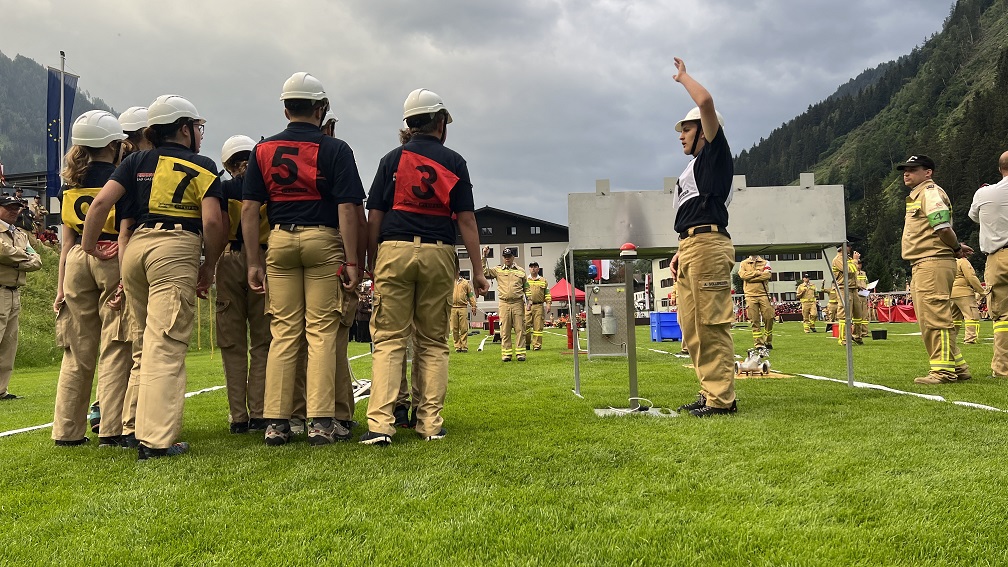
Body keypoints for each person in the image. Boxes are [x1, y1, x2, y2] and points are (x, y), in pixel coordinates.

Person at [81, 94, 225, 460]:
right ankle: (157, 440)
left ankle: (133, 427)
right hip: (175, 247)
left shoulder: (135, 161)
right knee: (167, 344)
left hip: (137, 247)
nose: (199, 133)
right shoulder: (203, 165)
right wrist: (209, 265)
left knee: (144, 344)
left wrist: (89, 246)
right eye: (197, 127)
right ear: (184, 129)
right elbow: (212, 222)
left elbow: (100, 204)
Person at [242, 72, 364, 446]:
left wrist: (253, 261)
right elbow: (348, 209)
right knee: (322, 331)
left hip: (279, 240)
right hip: (323, 240)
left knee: (283, 332)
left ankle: (276, 423)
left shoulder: (262, 150)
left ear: (285, 109)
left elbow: (249, 209)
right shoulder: (335, 149)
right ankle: (321, 422)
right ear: (320, 108)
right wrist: (352, 260)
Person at [362, 87, 488, 445]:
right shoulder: (454, 161)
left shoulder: (391, 159)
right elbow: (467, 220)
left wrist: (372, 260)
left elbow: (375, 216)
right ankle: (430, 423)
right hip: (438, 251)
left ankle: (380, 424)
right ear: (440, 123)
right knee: (432, 341)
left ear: (409, 124)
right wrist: (478, 271)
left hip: (394, 249)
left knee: (389, 339)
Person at [51, 110, 133, 447]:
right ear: (114, 144)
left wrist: (60, 287)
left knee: (76, 349)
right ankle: (111, 428)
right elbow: (125, 231)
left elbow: (67, 240)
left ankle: (66, 431)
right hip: (111, 254)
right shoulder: (121, 176)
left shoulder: (69, 183)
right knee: (116, 344)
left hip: (75, 260)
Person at [667, 58, 737, 417]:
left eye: (686, 128)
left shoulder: (715, 154)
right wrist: (681, 249)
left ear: (704, 131)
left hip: (708, 245)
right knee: (692, 327)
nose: (681, 134)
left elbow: (706, 102)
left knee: (710, 324)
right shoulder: (693, 167)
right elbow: (692, 215)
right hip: (693, 245)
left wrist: (683, 78)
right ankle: (710, 391)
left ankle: (722, 399)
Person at [898, 154, 972, 384]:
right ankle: (957, 367)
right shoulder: (921, 194)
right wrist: (955, 247)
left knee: (935, 319)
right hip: (929, 262)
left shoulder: (929, 193)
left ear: (928, 172)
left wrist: (956, 247)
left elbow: (942, 227)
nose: (906, 173)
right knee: (932, 317)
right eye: (905, 170)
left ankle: (943, 371)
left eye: (913, 169)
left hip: (931, 261)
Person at [216, 135, 271, 434]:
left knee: (232, 342)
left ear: (228, 164)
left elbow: (219, 227)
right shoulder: (266, 187)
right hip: (263, 257)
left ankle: (238, 416)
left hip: (229, 258)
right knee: (262, 341)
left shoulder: (223, 189)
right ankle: (260, 412)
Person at [968, 151, 1008, 377]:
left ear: (1000, 169)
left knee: (1003, 316)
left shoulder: (984, 193)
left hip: (999, 257)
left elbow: (974, 216)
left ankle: (1002, 368)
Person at [0, 195, 42, 401]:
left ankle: (1, 390)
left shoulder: (19, 234)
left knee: (9, 344)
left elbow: (37, 261)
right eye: (9, 207)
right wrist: (24, 257)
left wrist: (15, 260)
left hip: (14, 292)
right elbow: (2, 250)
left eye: (16, 207)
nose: (14, 210)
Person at [483, 247, 528, 361]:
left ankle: (520, 353)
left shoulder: (521, 271)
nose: (507, 258)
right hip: (504, 303)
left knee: (520, 329)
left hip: (518, 303)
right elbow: (484, 272)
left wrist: (530, 300)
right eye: (505, 256)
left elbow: (526, 287)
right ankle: (506, 354)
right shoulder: (498, 270)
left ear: (513, 257)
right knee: (505, 330)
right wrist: (484, 256)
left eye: (509, 256)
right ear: (503, 258)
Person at [738, 254, 773, 348]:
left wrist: (750, 278)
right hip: (750, 295)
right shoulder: (744, 263)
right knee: (754, 319)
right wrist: (758, 273)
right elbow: (742, 275)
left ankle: (768, 340)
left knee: (769, 317)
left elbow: (767, 275)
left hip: (763, 294)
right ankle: (758, 343)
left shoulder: (765, 262)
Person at [832, 245, 863, 346]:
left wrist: (858, 285)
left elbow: (853, 274)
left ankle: (857, 336)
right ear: (842, 247)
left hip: (853, 289)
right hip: (844, 289)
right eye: (848, 246)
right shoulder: (838, 259)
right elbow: (849, 270)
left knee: (858, 314)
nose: (850, 248)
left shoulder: (848, 259)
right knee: (844, 315)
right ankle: (843, 339)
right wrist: (855, 260)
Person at [951, 257, 985, 344]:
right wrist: (981, 291)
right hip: (964, 292)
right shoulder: (963, 261)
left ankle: (950, 338)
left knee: (954, 318)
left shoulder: (948, 262)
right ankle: (970, 339)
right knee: (971, 316)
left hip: (951, 292)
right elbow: (971, 277)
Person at [525, 261, 551, 351]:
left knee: (538, 327)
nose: (533, 268)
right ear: (529, 269)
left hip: (539, 306)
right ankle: (526, 343)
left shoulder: (543, 281)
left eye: (535, 267)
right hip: (527, 306)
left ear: (538, 269)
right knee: (525, 325)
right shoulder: (525, 280)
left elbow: (547, 293)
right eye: (531, 267)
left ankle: (536, 345)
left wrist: (548, 304)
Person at [450, 268, 476, 352]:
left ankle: (464, 346)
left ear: (458, 271)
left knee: (464, 328)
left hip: (463, 307)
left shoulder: (465, 283)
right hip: (452, 308)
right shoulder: (450, 282)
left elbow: (470, 294)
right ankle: (457, 346)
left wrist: (473, 305)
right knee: (454, 329)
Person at [855, 258, 869, 337]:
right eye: (858, 263)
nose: (860, 265)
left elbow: (866, 282)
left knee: (864, 315)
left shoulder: (864, 273)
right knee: (857, 315)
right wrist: (858, 287)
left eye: (860, 263)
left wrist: (868, 287)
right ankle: (857, 332)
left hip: (864, 295)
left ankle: (864, 332)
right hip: (857, 295)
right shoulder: (853, 273)